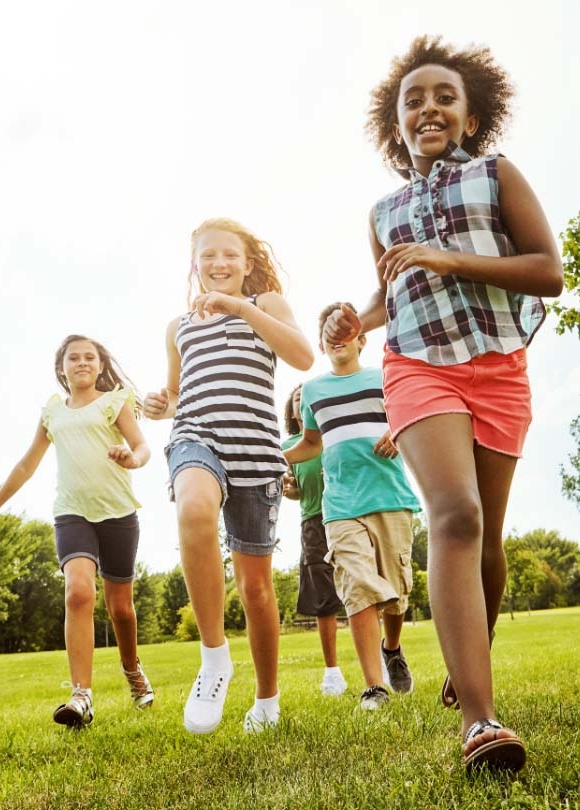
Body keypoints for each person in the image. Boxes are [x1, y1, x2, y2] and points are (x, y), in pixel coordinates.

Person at [323, 36, 563, 772]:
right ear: (395, 125)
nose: (428, 108)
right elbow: (391, 294)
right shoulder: (383, 209)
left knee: (486, 534)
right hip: (418, 367)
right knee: (454, 514)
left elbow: (548, 272)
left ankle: (468, 671)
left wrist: (447, 256)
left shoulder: (496, 175)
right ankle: (483, 724)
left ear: (469, 115)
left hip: (497, 366)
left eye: (444, 98)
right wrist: (354, 321)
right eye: (413, 101)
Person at [144, 217, 313, 735]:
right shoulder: (178, 327)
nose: (219, 264)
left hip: (257, 452)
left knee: (256, 587)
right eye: (208, 256)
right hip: (198, 437)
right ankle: (214, 656)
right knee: (193, 509)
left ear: (247, 263)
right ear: (195, 265)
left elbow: (303, 356)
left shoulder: (265, 306)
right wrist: (161, 403)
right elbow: (176, 394)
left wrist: (240, 307)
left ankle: (266, 699)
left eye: (230, 255)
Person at [0, 334, 154, 728]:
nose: (81, 363)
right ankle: (81, 696)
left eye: (89, 357)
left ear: (100, 365)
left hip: (118, 514)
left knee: (121, 609)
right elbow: (27, 463)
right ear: (62, 367)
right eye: (73, 358)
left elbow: (142, 446)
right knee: (77, 592)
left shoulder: (115, 401)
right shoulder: (53, 412)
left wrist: (133, 458)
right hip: (71, 514)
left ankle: (132, 672)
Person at [284, 302, 421, 712]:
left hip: (390, 497)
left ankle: (391, 648)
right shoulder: (313, 390)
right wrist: (274, 455)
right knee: (358, 588)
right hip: (341, 505)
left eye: (346, 333)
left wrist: (397, 432)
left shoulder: (385, 378)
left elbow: (414, 419)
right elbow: (311, 443)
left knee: (396, 595)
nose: (337, 339)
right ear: (323, 343)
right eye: (328, 333)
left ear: (362, 339)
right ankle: (373, 687)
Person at [282, 384, 347, 697]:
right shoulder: (289, 446)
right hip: (313, 522)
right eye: (298, 399)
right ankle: (332, 672)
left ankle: (380, 657)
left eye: (308, 397)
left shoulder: (337, 435)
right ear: (294, 411)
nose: (303, 402)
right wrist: (291, 491)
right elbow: (294, 489)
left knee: (365, 588)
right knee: (324, 600)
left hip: (349, 516)